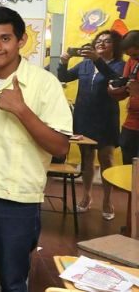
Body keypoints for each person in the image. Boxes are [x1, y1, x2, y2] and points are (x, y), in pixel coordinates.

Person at [0, 7, 72, 292]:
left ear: (21, 40)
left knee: (13, 280)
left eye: (5, 38)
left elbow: (61, 146)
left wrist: (22, 111)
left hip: (16, 199)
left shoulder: (44, 84)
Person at [57, 30, 124, 220]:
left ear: (115, 46)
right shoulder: (85, 64)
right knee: (86, 159)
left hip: (106, 119)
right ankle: (86, 197)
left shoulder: (121, 65)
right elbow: (64, 77)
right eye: (99, 41)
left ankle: (107, 200)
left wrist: (97, 60)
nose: (101, 43)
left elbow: (115, 78)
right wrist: (63, 62)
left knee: (106, 160)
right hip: (84, 118)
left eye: (107, 41)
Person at [109, 30, 139, 165]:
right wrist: (114, 90)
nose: (133, 58)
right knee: (126, 149)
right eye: (129, 55)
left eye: (135, 55)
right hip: (132, 119)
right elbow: (125, 87)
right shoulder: (131, 61)